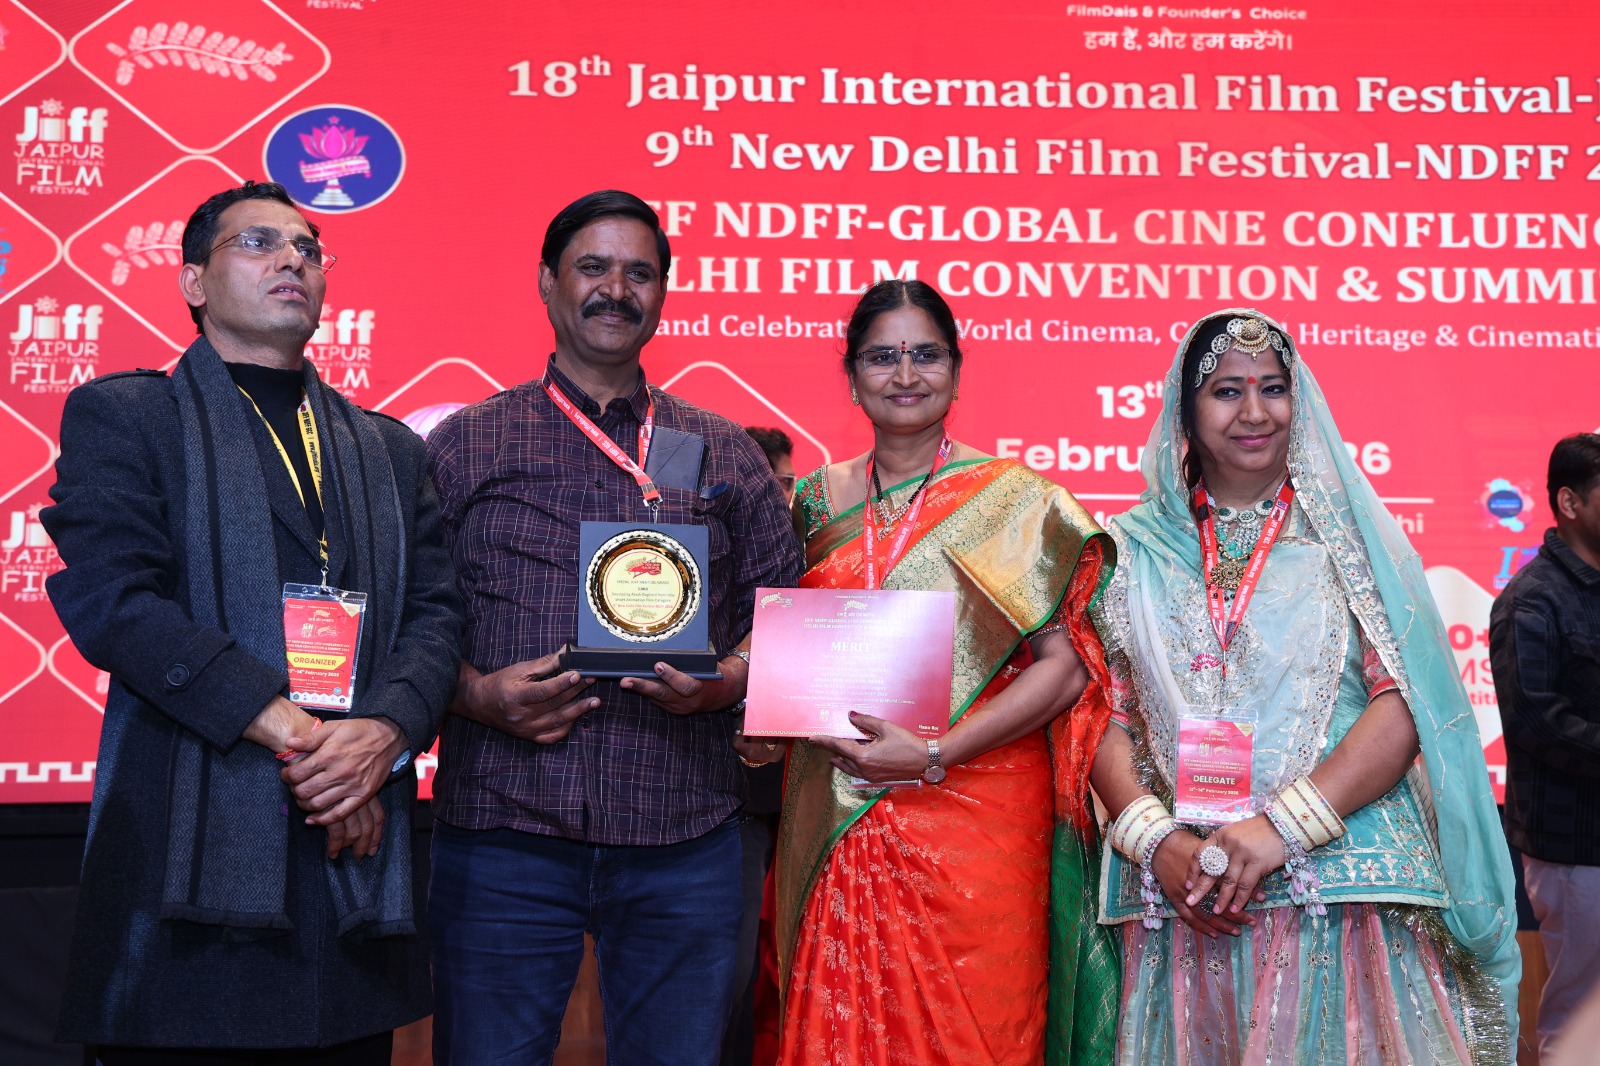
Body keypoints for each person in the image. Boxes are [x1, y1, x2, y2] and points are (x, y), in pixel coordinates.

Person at [42, 180, 461, 1063]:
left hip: (350, 863)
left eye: (308, 248)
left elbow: (435, 615)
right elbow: (115, 604)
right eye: (259, 243)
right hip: (184, 860)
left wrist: (384, 735)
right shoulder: (130, 416)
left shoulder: (388, 448)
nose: (292, 260)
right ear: (194, 282)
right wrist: (308, 743)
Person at [424, 190, 803, 1065]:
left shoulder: (722, 448)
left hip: (684, 834)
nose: (616, 290)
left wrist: (731, 681)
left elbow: (779, 608)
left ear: (663, 292)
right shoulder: (467, 443)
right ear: (547, 284)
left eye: (640, 273)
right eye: (592, 267)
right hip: (504, 832)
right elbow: (411, 619)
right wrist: (474, 695)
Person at [1088, 308, 1520, 1064]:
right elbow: (1103, 712)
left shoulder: (1351, 542)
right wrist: (1157, 842)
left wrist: (1279, 830)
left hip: (1342, 884)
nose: (1254, 412)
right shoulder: (1129, 548)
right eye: (1227, 391)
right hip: (1182, 888)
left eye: (1273, 388)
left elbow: (1403, 699)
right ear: (1184, 410)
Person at [766, 279, 1119, 1064]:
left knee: (980, 1027)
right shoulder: (809, 504)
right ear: (852, 376)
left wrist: (933, 753)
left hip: (978, 813)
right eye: (881, 357)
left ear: (957, 371)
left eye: (926, 355)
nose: (905, 375)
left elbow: (1064, 672)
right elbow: (785, 652)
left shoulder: (1018, 502)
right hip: (841, 802)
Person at [1491, 432, 1600, 1061]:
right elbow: (1536, 720)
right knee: (1582, 1019)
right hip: (1576, 847)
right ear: (1570, 502)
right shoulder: (1533, 598)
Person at [722, 426, 795, 1066]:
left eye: (788, 484)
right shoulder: (706, 561)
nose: (780, 498)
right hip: (731, 800)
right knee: (733, 967)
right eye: (768, 486)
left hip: (809, 794)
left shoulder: (821, 553)